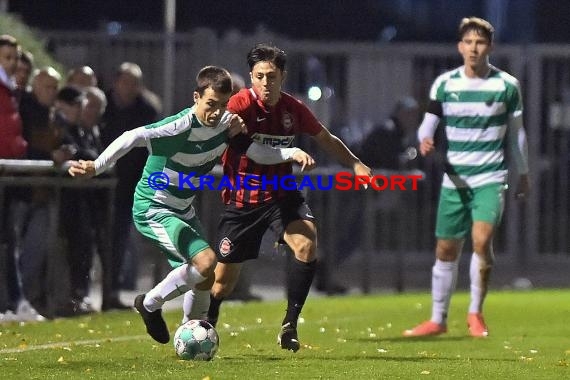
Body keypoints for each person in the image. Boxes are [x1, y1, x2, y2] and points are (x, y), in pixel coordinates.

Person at [68, 66, 315, 344]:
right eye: (210, 104)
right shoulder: (180, 126)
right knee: (207, 262)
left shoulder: (225, 124)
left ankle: (189, 337)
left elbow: (255, 152)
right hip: (154, 207)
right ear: (196, 97)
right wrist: (96, 166)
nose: (216, 112)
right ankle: (148, 304)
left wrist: (290, 152)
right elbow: (131, 137)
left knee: (205, 279)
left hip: (183, 210)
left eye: (223, 105)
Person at [200, 43, 372, 352]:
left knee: (306, 244)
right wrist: (291, 151)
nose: (266, 83)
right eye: (260, 76)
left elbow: (326, 138)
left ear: (283, 76)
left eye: (272, 76)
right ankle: (209, 318)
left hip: (281, 193)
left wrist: (356, 163)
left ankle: (289, 326)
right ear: (252, 77)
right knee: (224, 279)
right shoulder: (237, 107)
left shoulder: (294, 109)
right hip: (243, 198)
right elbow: (251, 151)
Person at [402, 17, 529, 338]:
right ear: (460, 47)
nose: (474, 48)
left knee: (481, 240)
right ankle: (437, 319)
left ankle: (475, 312)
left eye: (480, 42)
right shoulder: (445, 84)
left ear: (490, 47)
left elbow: (517, 134)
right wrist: (425, 139)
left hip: (489, 176)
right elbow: (427, 124)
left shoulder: (506, 86)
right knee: (446, 250)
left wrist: (523, 172)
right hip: (454, 180)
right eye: (469, 42)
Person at [100, 62, 160, 310]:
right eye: (125, 82)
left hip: (130, 183)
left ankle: (112, 290)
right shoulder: (103, 105)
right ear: (116, 83)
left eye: (134, 83)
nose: (129, 88)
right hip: (101, 183)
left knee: (120, 239)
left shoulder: (146, 109)